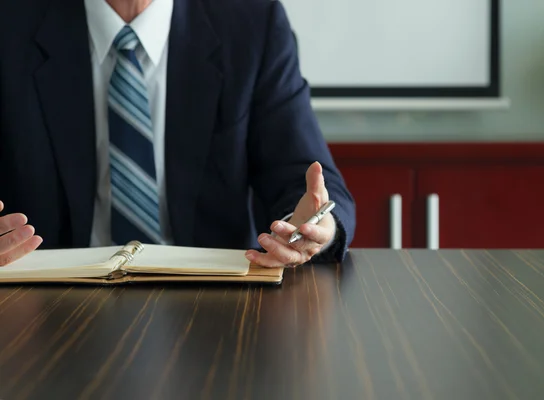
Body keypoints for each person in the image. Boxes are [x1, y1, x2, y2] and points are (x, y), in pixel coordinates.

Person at [0, 0, 355, 267]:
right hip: (45, 303)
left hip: (213, 303)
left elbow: (305, 179)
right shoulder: (11, 22)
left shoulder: (251, 23)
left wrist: (312, 228)